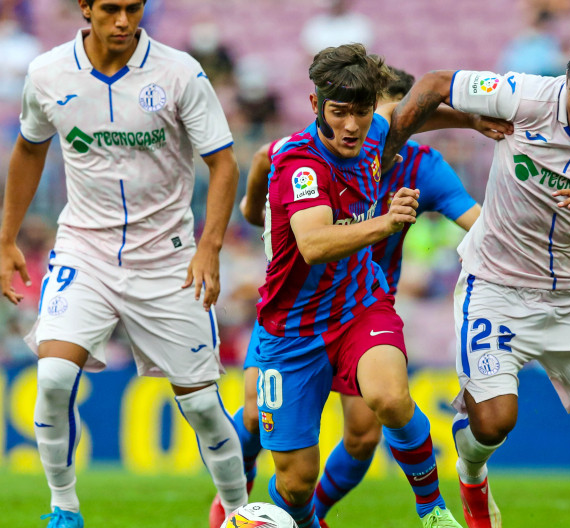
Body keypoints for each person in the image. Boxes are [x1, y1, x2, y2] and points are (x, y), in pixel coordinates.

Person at [385, 28, 570, 528]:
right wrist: (385, 159)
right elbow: (434, 84)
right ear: (567, 80)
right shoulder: (528, 94)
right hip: (495, 285)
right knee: (494, 422)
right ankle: (471, 471)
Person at [0, 1, 247, 526]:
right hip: (84, 250)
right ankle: (64, 509)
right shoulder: (47, 73)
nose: (123, 21)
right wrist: (7, 238)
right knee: (53, 378)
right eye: (110, 8)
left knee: (201, 406)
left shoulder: (180, 73)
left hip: (168, 259)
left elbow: (223, 162)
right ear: (85, 7)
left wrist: (210, 246)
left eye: (133, 8)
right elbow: (28, 148)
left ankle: (240, 511)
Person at [209, 65, 483, 528]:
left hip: (361, 306)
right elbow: (312, 244)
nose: (354, 125)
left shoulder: (399, 148)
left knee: (386, 402)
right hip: (291, 323)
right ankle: (259, 501)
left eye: (362, 113)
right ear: (317, 106)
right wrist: (253, 211)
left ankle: (433, 510)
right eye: (341, 113)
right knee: (290, 475)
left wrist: (478, 121)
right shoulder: (299, 161)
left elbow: (417, 115)